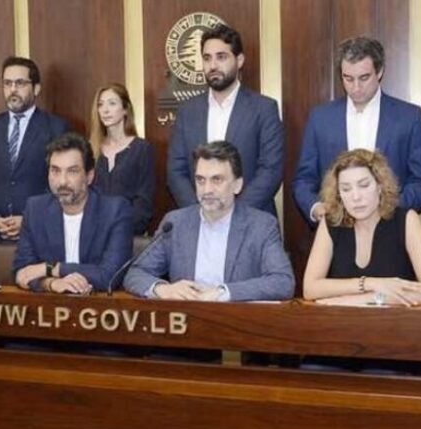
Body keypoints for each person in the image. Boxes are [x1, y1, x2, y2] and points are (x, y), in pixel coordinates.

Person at [124, 140, 294, 302]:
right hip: (186, 318)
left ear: (237, 185)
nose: (207, 190)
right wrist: (162, 289)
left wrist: (224, 292)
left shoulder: (261, 226)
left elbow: (283, 282)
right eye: (200, 180)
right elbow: (136, 273)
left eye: (216, 180)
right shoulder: (176, 223)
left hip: (236, 319)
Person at [293, 36, 421, 223]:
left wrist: (387, 210)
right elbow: (304, 180)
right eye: (348, 79)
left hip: (391, 228)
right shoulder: (320, 118)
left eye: (364, 78)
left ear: (380, 71)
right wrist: (316, 208)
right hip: (336, 227)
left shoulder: (409, 117)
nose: (356, 87)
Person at [167, 24, 284, 215]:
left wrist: (233, 216)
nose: (213, 65)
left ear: (239, 60)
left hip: (250, 221)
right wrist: (200, 214)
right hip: (198, 220)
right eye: (207, 58)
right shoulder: (187, 111)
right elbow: (176, 171)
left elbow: (270, 171)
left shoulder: (264, 109)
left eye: (221, 57)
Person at [303, 149, 421, 306]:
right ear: (338, 194)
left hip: (395, 319)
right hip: (342, 320)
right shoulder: (331, 222)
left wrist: (363, 299)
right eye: (346, 189)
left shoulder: (407, 220)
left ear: (380, 185)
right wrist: (369, 284)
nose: (356, 197)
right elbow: (310, 288)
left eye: (364, 185)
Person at [13, 132, 133, 294]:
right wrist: (51, 284)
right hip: (50, 305)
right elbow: (22, 272)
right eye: (55, 171)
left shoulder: (115, 211)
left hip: (100, 304)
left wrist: (52, 268)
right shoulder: (35, 209)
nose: (62, 181)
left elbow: (109, 276)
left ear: (89, 176)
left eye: (72, 171)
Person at [0, 56, 70, 241]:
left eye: (20, 83)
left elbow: (62, 182)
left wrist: (29, 217)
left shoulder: (56, 128)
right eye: (7, 83)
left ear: (36, 88)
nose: (13, 89)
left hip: (40, 232)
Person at [89, 83, 156, 235]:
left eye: (112, 103)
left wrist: (120, 229)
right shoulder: (89, 149)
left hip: (129, 233)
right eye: (100, 105)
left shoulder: (142, 149)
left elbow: (144, 202)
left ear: (125, 109)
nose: (105, 110)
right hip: (94, 234)